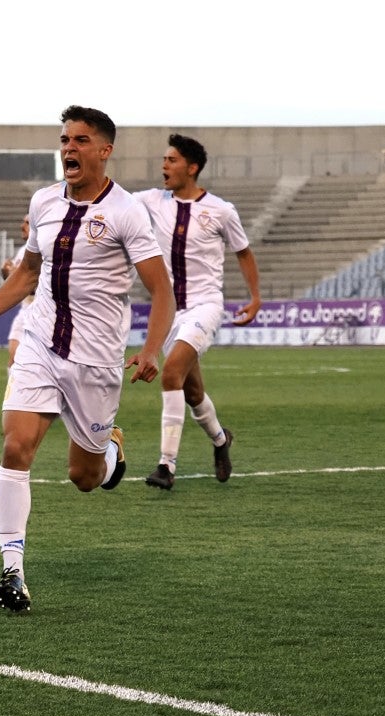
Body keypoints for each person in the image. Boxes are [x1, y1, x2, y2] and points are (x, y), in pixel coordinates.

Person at [0, 105, 175, 615]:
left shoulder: (127, 212)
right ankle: (12, 571)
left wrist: (153, 348)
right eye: (65, 139)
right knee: (16, 445)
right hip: (40, 345)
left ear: (105, 150)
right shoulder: (44, 201)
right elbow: (25, 275)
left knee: (84, 477)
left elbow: (162, 292)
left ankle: (109, 450)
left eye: (81, 140)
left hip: (95, 361)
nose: (69, 148)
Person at [133, 134, 261, 491]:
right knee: (192, 393)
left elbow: (244, 252)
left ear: (191, 168)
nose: (164, 166)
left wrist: (254, 298)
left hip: (205, 306)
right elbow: (113, 202)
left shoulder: (221, 210)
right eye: (164, 159)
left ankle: (166, 466)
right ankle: (221, 441)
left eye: (171, 160)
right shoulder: (150, 201)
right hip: (170, 312)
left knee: (170, 372)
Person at [1, 215, 35, 368]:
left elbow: (34, 284)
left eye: (27, 223)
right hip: (24, 310)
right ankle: (13, 392)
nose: (22, 226)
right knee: (13, 357)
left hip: (40, 312)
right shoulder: (22, 251)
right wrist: (6, 272)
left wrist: (18, 276)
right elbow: (13, 282)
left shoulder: (45, 251)